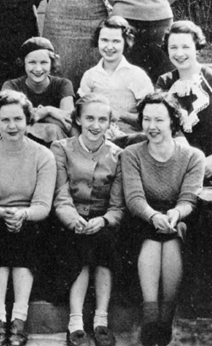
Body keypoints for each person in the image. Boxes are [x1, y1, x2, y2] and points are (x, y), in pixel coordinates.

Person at [0, 91, 56, 346]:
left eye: (18, 119)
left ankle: (19, 319)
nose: (11, 126)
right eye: (5, 119)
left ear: (28, 121)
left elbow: (42, 205)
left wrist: (23, 214)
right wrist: (3, 213)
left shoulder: (44, 155)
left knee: (25, 234)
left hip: (31, 221)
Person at [121, 92, 204, 346]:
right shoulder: (132, 154)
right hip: (142, 216)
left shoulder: (192, 157)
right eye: (146, 120)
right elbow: (134, 198)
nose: (152, 127)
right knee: (151, 242)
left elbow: (189, 199)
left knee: (172, 240)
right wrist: (153, 215)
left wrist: (175, 213)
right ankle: (150, 316)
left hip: (177, 215)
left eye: (159, 120)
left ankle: (166, 319)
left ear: (173, 121)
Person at [51, 94, 125, 346]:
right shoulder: (61, 148)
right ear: (79, 120)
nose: (95, 125)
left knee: (105, 242)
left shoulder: (118, 154)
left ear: (109, 123)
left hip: (103, 220)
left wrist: (104, 220)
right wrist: (74, 220)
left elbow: (117, 205)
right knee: (80, 245)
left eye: (102, 120)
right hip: (69, 219)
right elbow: (60, 196)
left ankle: (101, 320)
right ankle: (76, 322)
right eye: (89, 118)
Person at [156, 21, 212, 185]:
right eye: (173, 47)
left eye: (186, 47)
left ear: (197, 47)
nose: (179, 53)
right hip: (177, 158)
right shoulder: (164, 83)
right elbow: (162, 121)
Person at [79, 16, 154, 137]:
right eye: (104, 40)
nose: (109, 47)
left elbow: (150, 118)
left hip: (131, 138)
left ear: (126, 42)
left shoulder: (136, 74)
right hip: (97, 135)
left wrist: (120, 114)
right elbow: (82, 115)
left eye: (116, 41)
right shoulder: (90, 75)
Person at [2, 37, 76, 145]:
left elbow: (67, 123)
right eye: (32, 62)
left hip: (55, 146)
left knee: (53, 130)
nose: (38, 69)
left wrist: (42, 113)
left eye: (44, 62)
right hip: (22, 144)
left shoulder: (63, 84)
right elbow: (11, 120)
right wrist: (48, 112)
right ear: (23, 63)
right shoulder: (11, 85)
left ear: (52, 63)